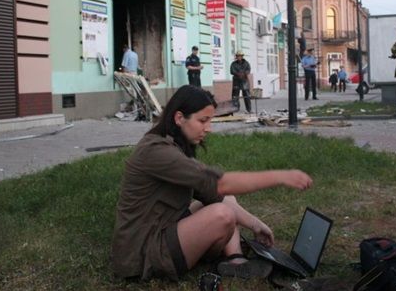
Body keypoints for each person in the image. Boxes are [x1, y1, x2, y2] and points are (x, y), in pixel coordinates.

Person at [110, 85, 313, 281]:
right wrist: (280, 176)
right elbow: (220, 184)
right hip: (143, 254)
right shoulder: (157, 151)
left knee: (225, 201)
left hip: (164, 229)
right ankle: (230, 258)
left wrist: (255, 224)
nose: (209, 129)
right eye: (203, 120)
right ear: (179, 118)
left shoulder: (171, 144)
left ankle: (235, 260)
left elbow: (215, 193)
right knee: (222, 214)